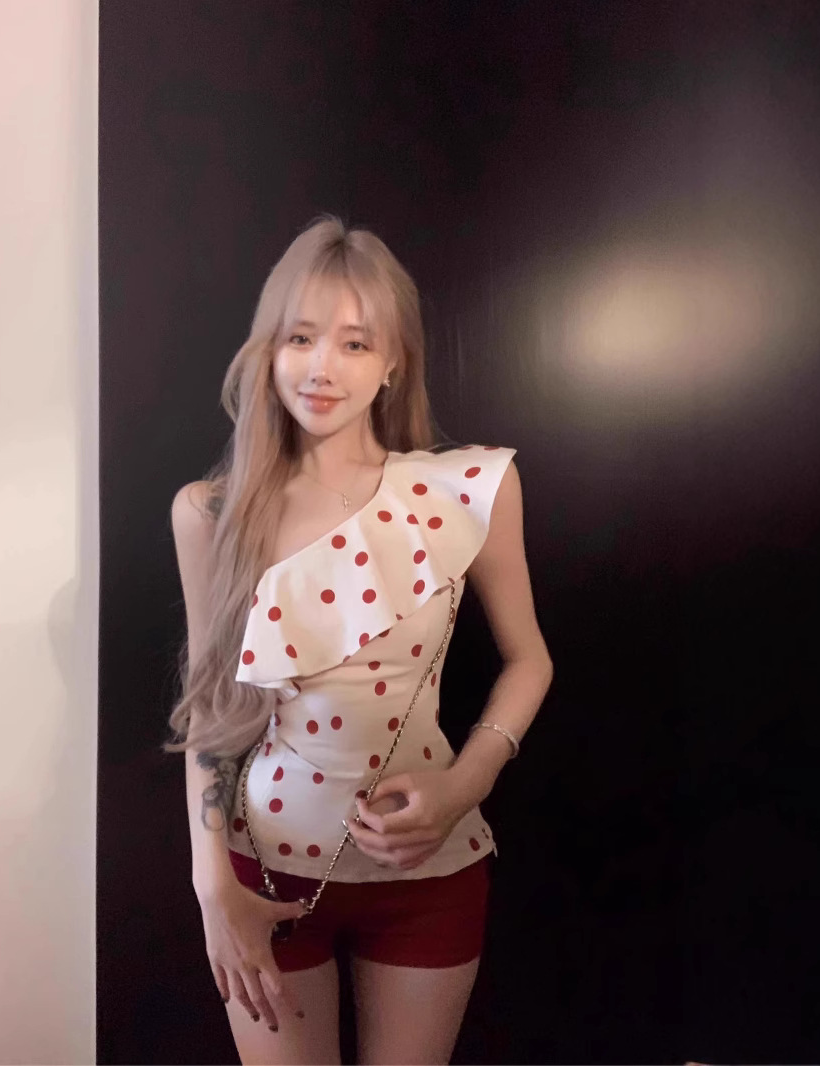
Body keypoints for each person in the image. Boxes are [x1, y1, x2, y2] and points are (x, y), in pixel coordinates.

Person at [165, 214, 552, 1065]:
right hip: (261, 872)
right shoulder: (211, 511)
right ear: (269, 351)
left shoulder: (466, 491)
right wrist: (210, 887)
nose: (321, 367)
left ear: (392, 363)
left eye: (354, 342)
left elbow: (530, 660)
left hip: (431, 873)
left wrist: (465, 783)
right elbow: (210, 709)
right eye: (300, 337)